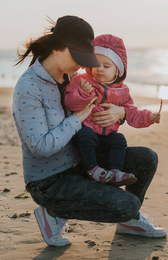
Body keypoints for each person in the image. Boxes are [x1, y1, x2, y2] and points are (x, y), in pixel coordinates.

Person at [12, 15, 166, 247]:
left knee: (147, 158)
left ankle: (129, 223)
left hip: (81, 162)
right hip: (50, 181)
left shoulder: (72, 78)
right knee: (126, 205)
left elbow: (101, 110)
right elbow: (40, 148)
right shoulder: (29, 88)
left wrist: (120, 113)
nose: (84, 65)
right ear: (59, 48)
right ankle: (53, 214)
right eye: (79, 57)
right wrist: (76, 119)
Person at [64, 34, 161, 187]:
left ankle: (116, 171)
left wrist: (149, 117)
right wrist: (83, 93)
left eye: (106, 66)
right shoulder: (82, 81)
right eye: (95, 64)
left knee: (119, 139)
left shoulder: (122, 91)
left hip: (106, 136)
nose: (99, 69)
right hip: (87, 133)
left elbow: (132, 114)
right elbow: (70, 103)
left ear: (118, 70)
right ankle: (92, 169)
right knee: (85, 135)